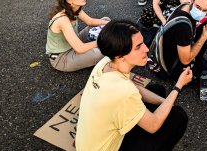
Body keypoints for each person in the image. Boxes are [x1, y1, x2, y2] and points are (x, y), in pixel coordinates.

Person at [76, 20, 192, 151]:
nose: (146, 49)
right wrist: (178, 86)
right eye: (138, 47)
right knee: (178, 115)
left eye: (142, 43)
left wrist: (166, 103)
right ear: (120, 55)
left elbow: (134, 88)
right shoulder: (123, 91)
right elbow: (153, 125)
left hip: (88, 145)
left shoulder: (106, 62)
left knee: (158, 90)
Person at [46, 0, 110, 72]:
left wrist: (112, 24)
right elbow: (80, 48)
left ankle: (104, 44)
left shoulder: (74, 8)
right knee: (100, 53)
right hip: (62, 58)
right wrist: (104, 41)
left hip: (74, 43)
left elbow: (90, 21)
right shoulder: (62, 19)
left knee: (106, 20)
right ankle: (108, 46)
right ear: (69, 0)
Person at [161, 0, 207, 79]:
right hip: (173, 66)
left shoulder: (186, 5)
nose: (200, 12)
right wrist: (204, 37)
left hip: (180, 48)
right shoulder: (183, 27)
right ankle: (196, 63)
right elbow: (185, 61)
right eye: (198, 7)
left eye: (205, 10)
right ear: (191, 0)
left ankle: (197, 57)